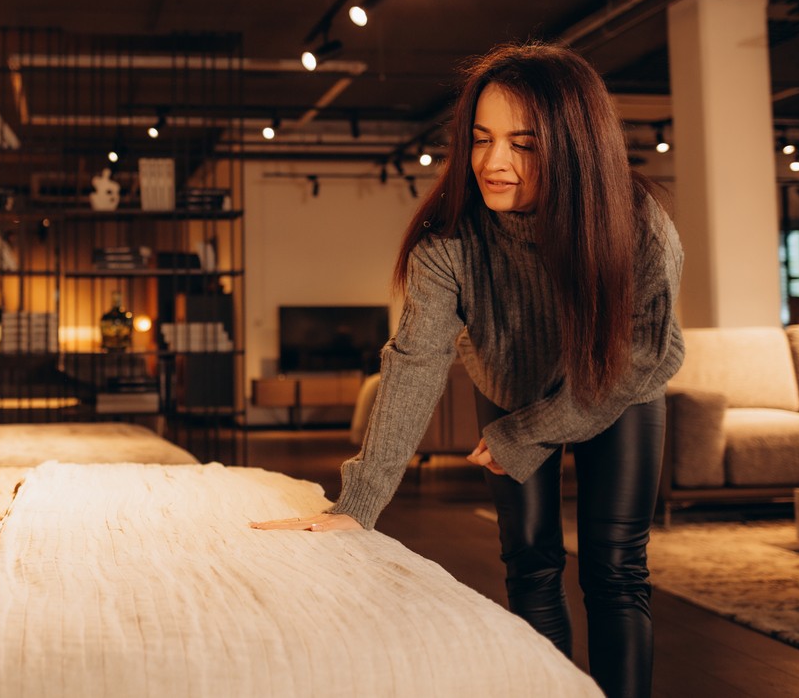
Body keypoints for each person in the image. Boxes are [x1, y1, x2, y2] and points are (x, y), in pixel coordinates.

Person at [252, 42, 685, 698]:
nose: (492, 163)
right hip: (508, 386)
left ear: (574, 145)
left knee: (616, 570)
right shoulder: (449, 242)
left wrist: (527, 435)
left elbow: (646, 356)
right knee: (531, 564)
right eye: (480, 139)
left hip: (616, 389)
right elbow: (415, 362)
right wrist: (359, 504)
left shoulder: (638, 225)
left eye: (523, 143)